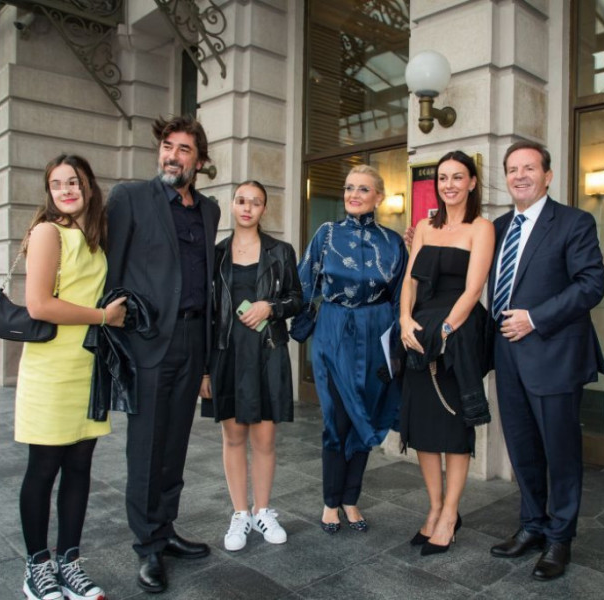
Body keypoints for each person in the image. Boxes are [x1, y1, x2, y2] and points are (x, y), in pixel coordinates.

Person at [105, 115, 221, 593]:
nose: (172, 156)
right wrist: (122, 332)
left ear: (200, 160)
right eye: (168, 146)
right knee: (147, 446)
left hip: (194, 338)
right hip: (150, 341)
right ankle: (147, 545)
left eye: (184, 149)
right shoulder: (130, 198)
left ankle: (166, 528)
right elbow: (112, 270)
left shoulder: (210, 210)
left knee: (175, 444)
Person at [487, 141, 604, 581]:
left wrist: (535, 318)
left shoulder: (574, 222)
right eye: (512, 169)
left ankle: (560, 538)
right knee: (522, 448)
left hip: (554, 354)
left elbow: (591, 284)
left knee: (561, 453)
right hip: (507, 354)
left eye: (529, 168)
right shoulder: (498, 227)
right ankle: (533, 526)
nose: (520, 175)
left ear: (548, 175)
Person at [15, 154, 127, 600]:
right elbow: (39, 304)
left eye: (73, 181)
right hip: (51, 369)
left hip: (87, 367)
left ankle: (69, 562)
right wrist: (103, 317)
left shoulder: (96, 238)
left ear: (89, 186)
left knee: (80, 467)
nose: (65, 190)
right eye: (57, 184)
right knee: (43, 469)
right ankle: (37, 568)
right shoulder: (48, 232)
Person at [296, 164, 407, 534]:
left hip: (377, 332)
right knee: (338, 419)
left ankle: (351, 499)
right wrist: (291, 320)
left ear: (379, 197)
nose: (353, 195)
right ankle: (331, 502)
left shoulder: (393, 242)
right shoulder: (326, 234)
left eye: (362, 189)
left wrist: (395, 351)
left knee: (368, 416)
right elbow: (303, 284)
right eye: (348, 188)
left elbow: (400, 298)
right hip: (334, 331)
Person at [398, 151, 494, 556]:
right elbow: (410, 281)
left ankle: (451, 514)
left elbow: (473, 290)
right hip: (418, 332)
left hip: (458, 332)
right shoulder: (423, 226)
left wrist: (447, 330)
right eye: (442, 178)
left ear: (472, 182)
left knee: (454, 429)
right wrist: (404, 319)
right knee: (423, 427)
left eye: (457, 177)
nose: (449, 184)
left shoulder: (481, 228)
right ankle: (435, 507)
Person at [201, 180, 302, 551]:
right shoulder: (215, 255)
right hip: (226, 354)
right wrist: (204, 370)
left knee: (264, 439)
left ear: (264, 209)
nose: (247, 208)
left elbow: (297, 299)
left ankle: (262, 510)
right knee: (233, 437)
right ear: (232, 205)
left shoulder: (280, 251)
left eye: (255, 202)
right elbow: (205, 315)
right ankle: (240, 514)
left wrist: (270, 307)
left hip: (267, 352)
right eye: (241, 201)